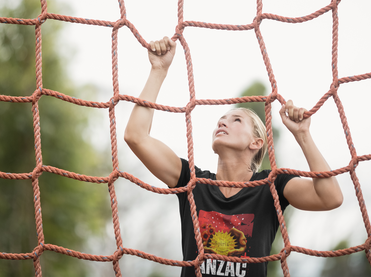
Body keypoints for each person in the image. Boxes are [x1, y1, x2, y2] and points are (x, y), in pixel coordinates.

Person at [124, 36, 343, 277]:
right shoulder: (192, 182)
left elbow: (330, 197)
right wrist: (158, 70)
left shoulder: (271, 185)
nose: (223, 122)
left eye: (236, 119)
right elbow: (136, 136)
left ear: (256, 142)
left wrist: (303, 135)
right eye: (222, 120)